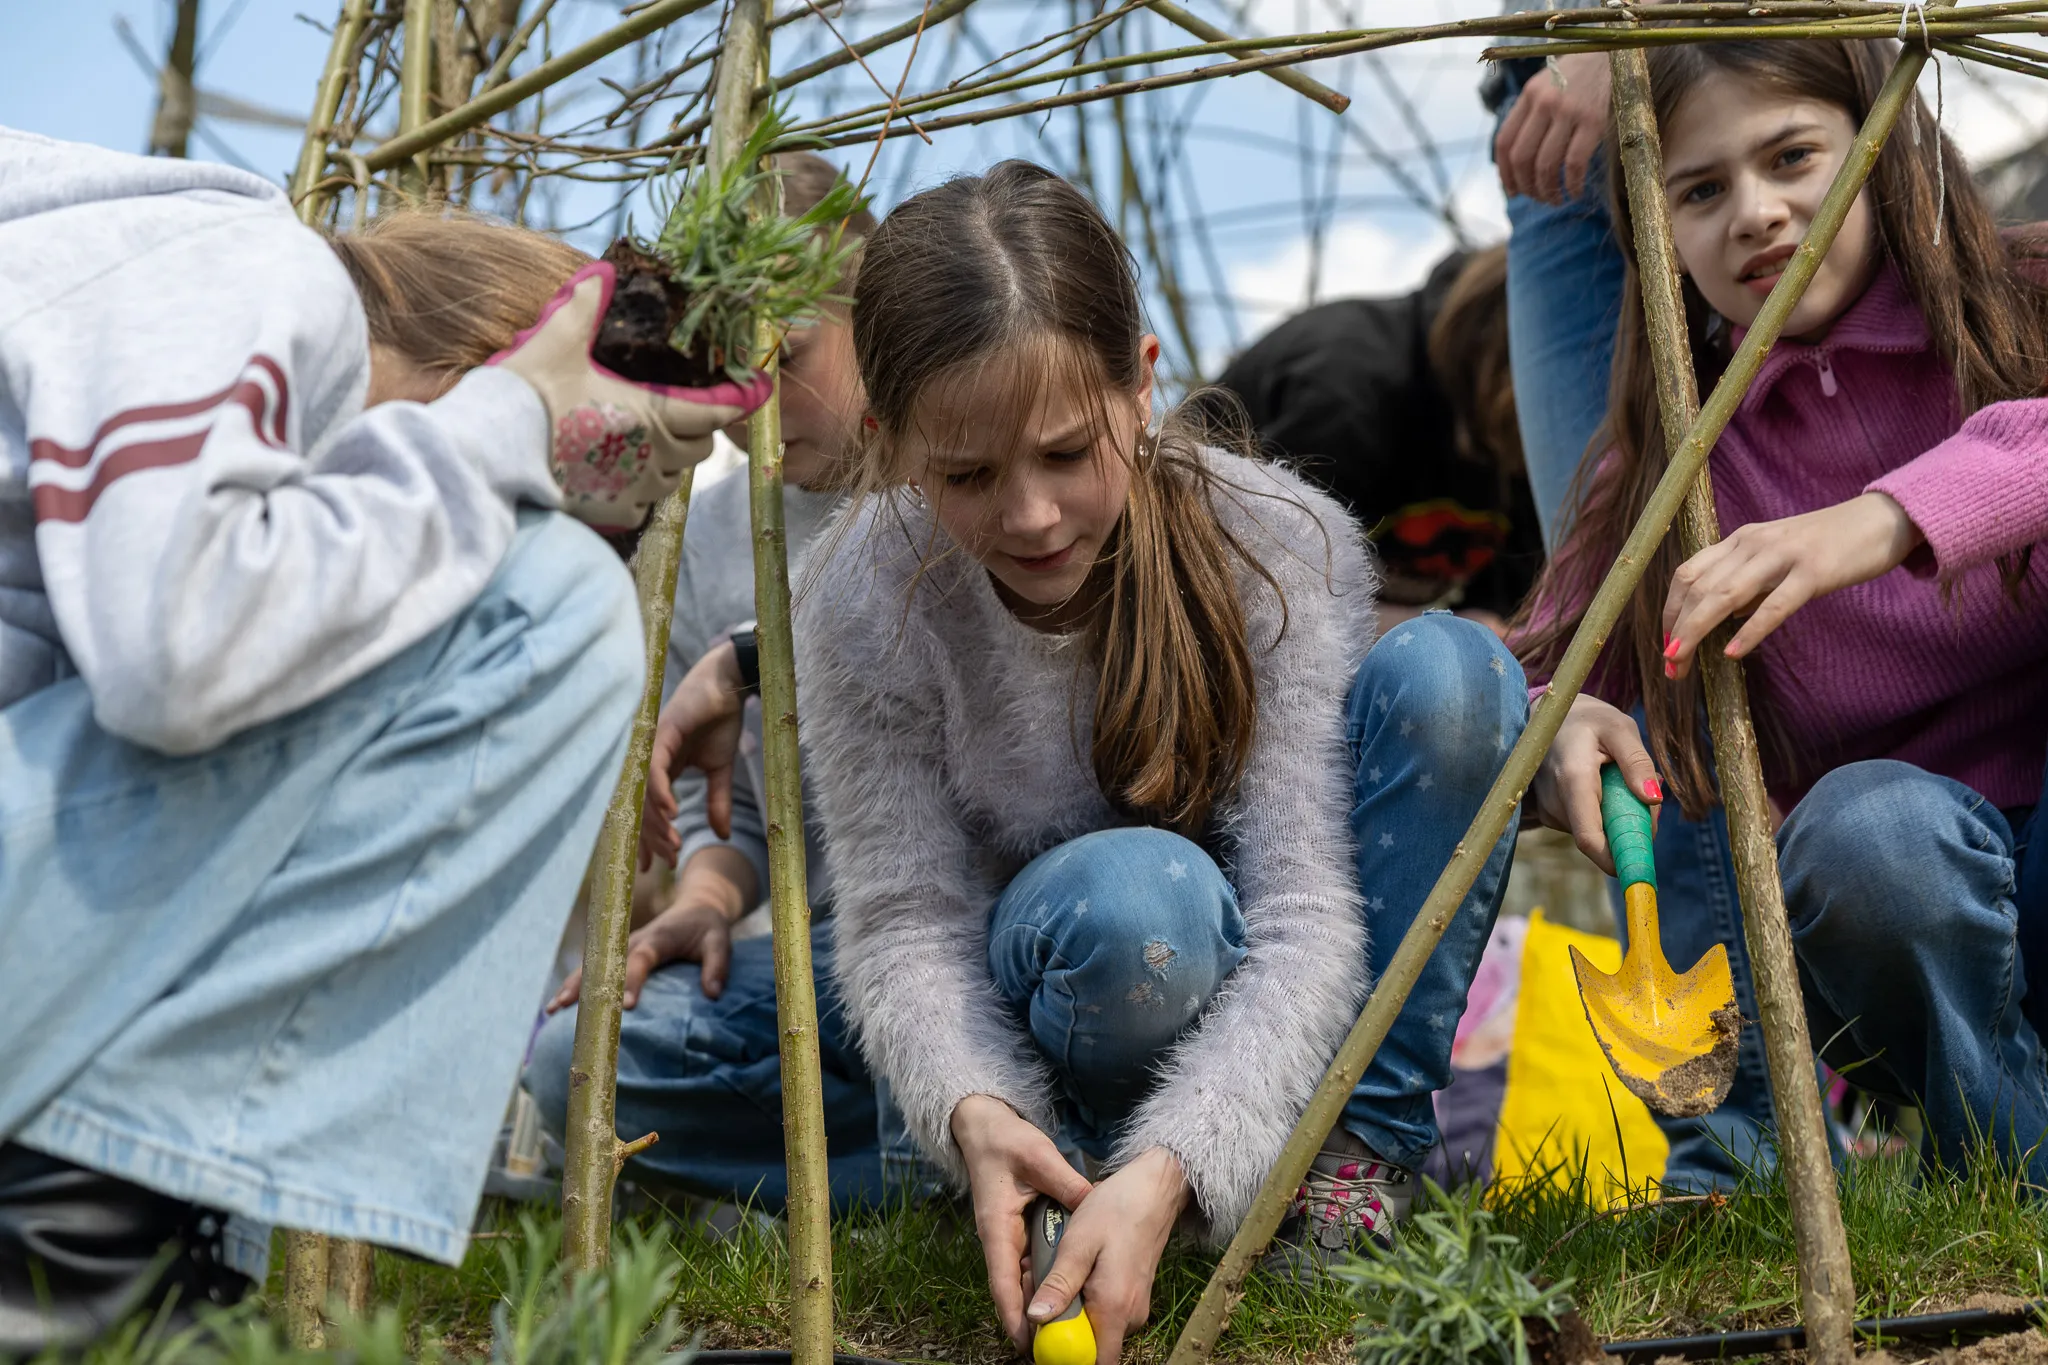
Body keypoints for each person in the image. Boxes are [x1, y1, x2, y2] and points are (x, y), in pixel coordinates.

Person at [0, 127, 763, 1350]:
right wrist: (506, 432)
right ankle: (86, 1272)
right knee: (553, 606)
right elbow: (174, 649)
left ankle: (122, 1246)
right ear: (484, 355)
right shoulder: (254, 268)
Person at [788, 161, 1536, 1363]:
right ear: (889, 444)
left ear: (1138, 389)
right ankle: (1056, 1184)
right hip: (1055, 1001)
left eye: (1065, 453)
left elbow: (1303, 908)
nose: (1029, 517)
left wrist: (1182, 1160)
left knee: (1458, 676)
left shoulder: (1276, 544)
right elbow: (902, 920)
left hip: (1251, 1021)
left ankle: (1337, 1176)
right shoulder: (856, 596)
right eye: (967, 477)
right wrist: (977, 1112)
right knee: (1139, 904)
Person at [1513, 37, 2048, 1186]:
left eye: (1792, 156)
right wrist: (1552, 726)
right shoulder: (1673, 466)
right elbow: (1527, 673)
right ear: (1651, 235)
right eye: (1698, 191)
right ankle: (2009, 1174)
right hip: (1893, 923)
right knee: (1864, 833)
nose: (1754, 214)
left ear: (1880, 142)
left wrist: (1885, 518)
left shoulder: (2021, 306)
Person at [523, 157, 905, 1212]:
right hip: (825, 971)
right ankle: (898, 1188)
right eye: (726, 371)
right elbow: (725, 800)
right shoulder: (715, 531)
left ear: (874, 313)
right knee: (575, 1066)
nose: (754, 405)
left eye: (788, 353)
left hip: (977, 930)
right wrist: (702, 898)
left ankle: (868, 1182)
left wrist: (745, 654)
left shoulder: (959, 474)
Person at [1491, 31, 1779, 1191]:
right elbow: (1563, 637)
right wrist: (1529, 701)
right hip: (1548, 139)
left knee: (1723, 606)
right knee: (1641, 626)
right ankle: (1726, 1149)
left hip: (1710, 67)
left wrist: (1635, 33)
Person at [1206, 246, 1544, 632]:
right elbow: (1269, 589)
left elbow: (1508, 608)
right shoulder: (1348, 391)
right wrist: (1434, 633)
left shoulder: (1520, 436)